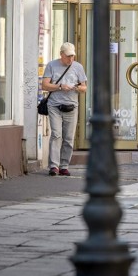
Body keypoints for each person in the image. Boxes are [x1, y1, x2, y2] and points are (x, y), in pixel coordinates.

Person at [42, 42, 87, 177]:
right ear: (61, 54)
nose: (70, 59)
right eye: (68, 56)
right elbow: (44, 85)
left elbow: (84, 87)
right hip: (54, 105)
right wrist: (61, 86)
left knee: (68, 138)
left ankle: (64, 166)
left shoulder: (78, 67)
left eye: (72, 56)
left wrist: (77, 88)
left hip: (72, 107)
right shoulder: (51, 65)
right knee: (56, 134)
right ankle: (54, 166)